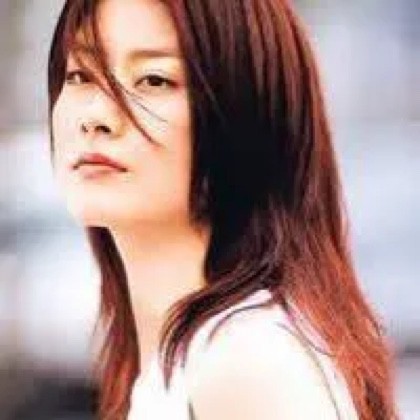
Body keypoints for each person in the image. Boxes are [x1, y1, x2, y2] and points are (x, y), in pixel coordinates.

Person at [47, 0, 398, 419]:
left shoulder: (246, 360)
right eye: (80, 75)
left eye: (154, 80)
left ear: (245, 115)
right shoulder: (182, 364)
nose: (96, 116)